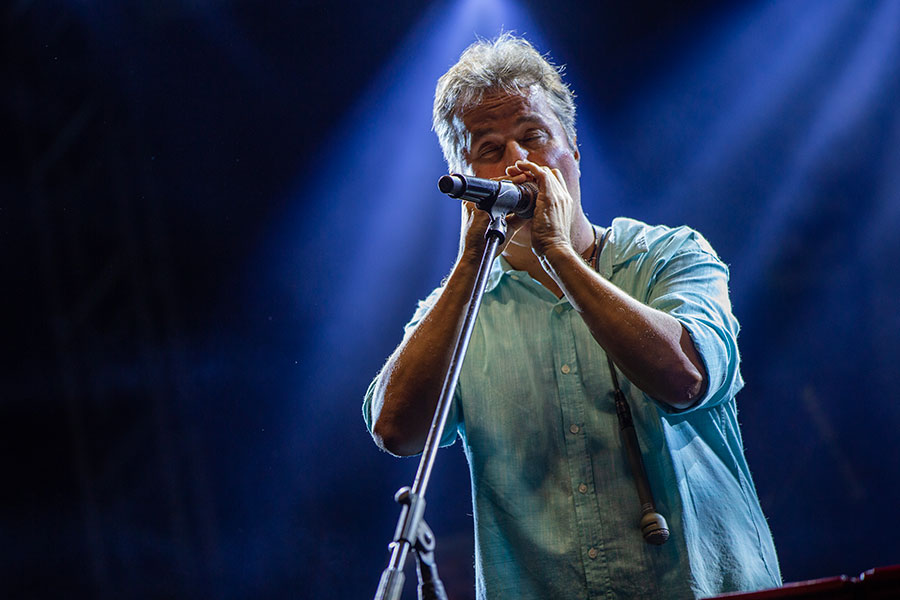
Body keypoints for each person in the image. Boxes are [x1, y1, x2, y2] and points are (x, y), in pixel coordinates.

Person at [363, 33, 781, 599]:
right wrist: (468, 264)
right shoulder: (456, 311)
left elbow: (685, 379)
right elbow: (395, 431)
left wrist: (557, 254)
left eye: (533, 136)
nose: (517, 162)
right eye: (488, 149)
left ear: (574, 150)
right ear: (467, 185)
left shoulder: (669, 256)